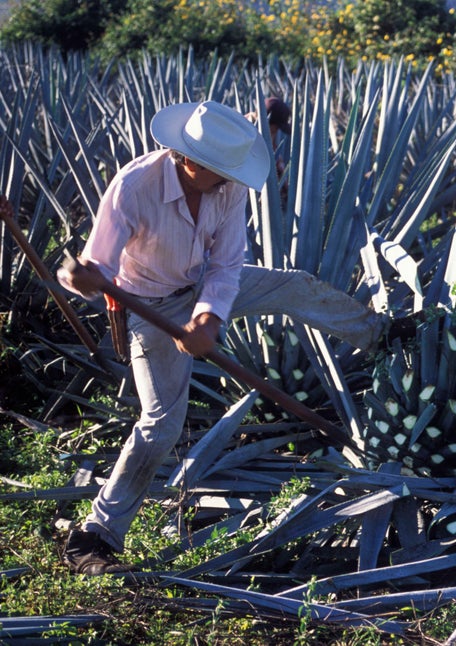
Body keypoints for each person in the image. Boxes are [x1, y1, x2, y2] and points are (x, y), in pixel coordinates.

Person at [56, 100, 414, 575]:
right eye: (222, 171)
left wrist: (207, 319)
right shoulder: (133, 188)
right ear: (191, 161)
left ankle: (382, 337)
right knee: (161, 423)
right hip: (152, 308)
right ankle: (95, 536)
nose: (231, 178)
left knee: (293, 283)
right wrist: (80, 278)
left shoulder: (225, 187)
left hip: (203, 284)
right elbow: (97, 268)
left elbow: (226, 265)